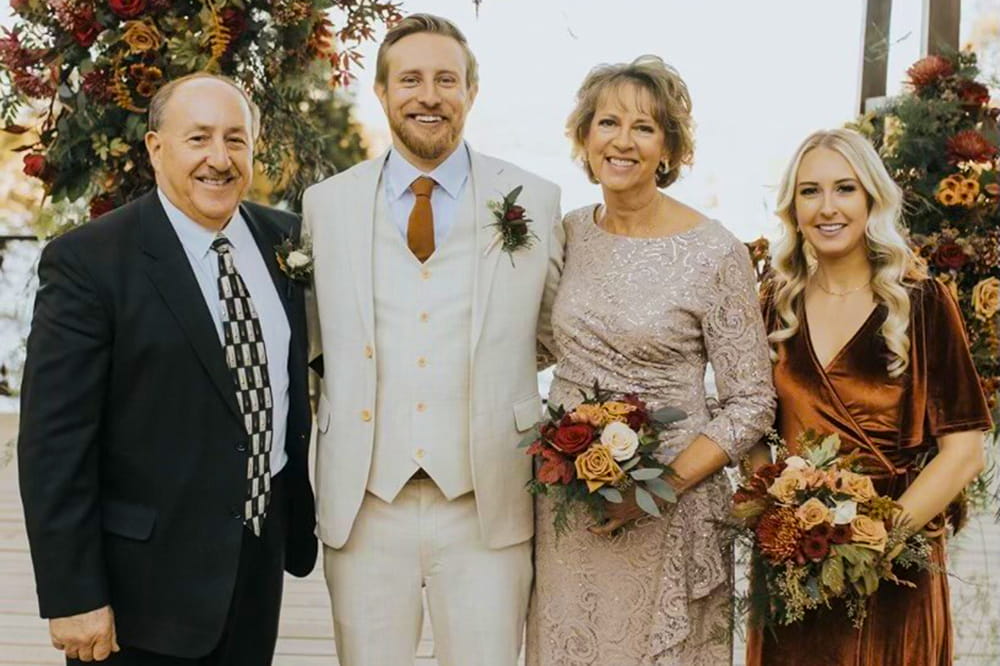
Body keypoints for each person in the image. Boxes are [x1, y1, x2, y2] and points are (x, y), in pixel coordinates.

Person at [17, 73, 317, 665]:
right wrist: (73, 594)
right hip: (141, 589)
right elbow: (54, 444)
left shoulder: (284, 242)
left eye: (235, 139)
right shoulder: (88, 262)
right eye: (198, 138)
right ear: (156, 148)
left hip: (256, 566)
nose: (219, 159)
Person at [302, 13, 563, 666]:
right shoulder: (326, 204)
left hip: (488, 498)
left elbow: (554, 329)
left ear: (471, 91)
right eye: (410, 79)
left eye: (446, 79)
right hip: (365, 500)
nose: (429, 95)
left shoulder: (534, 199)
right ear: (382, 92)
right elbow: (312, 336)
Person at [525, 56, 776, 665]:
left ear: (668, 148)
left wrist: (660, 488)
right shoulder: (567, 234)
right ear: (585, 137)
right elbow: (535, 344)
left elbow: (751, 401)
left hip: (673, 506)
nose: (623, 141)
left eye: (644, 127)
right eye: (608, 123)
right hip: (568, 510)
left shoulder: (715, 252)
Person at [745, 128, 992, 665]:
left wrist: (871, 540)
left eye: (845, 188)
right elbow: (753, 432)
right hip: (795, 563)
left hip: (895, 565)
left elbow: (964, 452)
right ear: (793, 207)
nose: (827, 207)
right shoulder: (774, 304)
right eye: (810, 191)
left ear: (872, 199)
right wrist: (778, 519)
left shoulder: (922, 301)